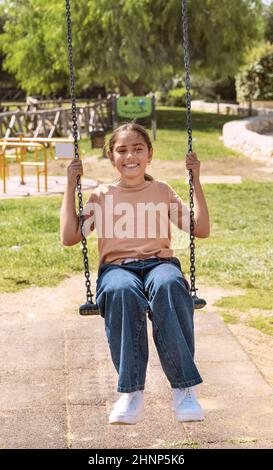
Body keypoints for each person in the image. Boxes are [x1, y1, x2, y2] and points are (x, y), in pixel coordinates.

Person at [60, 122, 210, 425]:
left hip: (159, 264)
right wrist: (70, 184)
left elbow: (201, 229)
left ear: (149, 154)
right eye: (122, 150)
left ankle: (183, 390)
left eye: (138, 149)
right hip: (117, 269)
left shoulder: (161, 190)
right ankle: (131, 393)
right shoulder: (101, 195)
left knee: (169, 284)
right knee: (120, 290)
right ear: (111, 156)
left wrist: (195, 180)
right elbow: (70, 237)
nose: (130, 156)